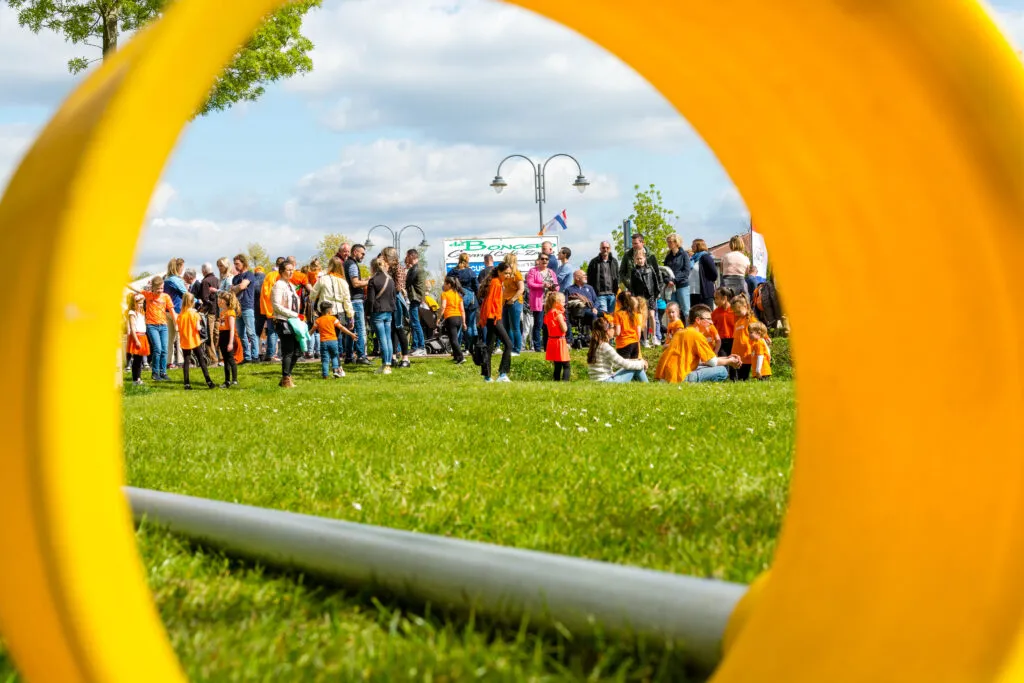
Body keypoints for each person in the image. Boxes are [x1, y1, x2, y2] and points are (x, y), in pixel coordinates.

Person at [656, 307, 743, 383]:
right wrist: (730, 361)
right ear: (698, 320)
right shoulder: (697, 335)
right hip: (680, 378)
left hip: (665, 377)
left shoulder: (680, 333)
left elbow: (703, 361)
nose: (711, 322)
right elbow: (712, 362)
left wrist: (727, 358)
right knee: (722, 370)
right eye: (708, 319)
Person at [132, 275, 175, 381]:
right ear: (153, 288)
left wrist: (176, 322)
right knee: (157, 349)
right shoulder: (148, 295)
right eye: (158, 289)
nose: (160, 290)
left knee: (164, 349)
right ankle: (155, 373)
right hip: (152, 326)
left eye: (162, 288)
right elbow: (136, 289)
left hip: (163, 326)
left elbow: (172, 310)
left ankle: (163, 372)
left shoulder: (166, 297)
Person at [478, 262, 514, 382]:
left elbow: (487, 302)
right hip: (493, 318)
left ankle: (487, 377)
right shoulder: (496, 283)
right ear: (499, 272)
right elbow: (489, 303)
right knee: (508, 344)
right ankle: (502, 374)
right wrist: (489, 318)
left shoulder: (496, 282)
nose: (508, 275)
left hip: (491, 317)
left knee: (489, 347)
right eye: (506, 273)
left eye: (509, 273)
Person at [587, 317, 648, 383]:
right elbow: (624, 364)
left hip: (600, 380)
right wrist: (642, 364)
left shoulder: (597, 345)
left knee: (636, 365)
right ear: (607, 330)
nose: (614, 329)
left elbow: (618, 363)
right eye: (613, 327)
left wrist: (637, 361)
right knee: (637, 367)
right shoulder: (605, 346)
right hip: (605, 381)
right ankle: (649, 388)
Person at [271, 259, 302, 388]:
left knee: (298, 350)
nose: (291, 272)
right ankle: (286, 378)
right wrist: (294, 314)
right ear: (282, 271)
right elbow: (277, 305)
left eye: (292, 270)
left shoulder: (291, 286)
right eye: (288, 270)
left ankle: (287, 375)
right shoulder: (279, 285)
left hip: (293, 321)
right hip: (283, 321)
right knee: (288, 350)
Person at [177, 292, 215, 390]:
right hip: (194, 340)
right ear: (192, 302)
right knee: (201, 360)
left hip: (185, 340)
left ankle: (186, 383)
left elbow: (178, 328)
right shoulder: (194, 314)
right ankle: (209, 381)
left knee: (186, 362)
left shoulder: (180, 315)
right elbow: (198, 327)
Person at [366, 255, 396, 375]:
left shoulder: (373, 280)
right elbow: (393, 297)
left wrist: (368, 314)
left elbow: (370, 300)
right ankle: (388, 364)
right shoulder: (390, 280)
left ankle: (385, 365)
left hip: (377, 311)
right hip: (388, 311)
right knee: (388, 338)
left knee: (382, 338)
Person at [382, 246, 411, 369]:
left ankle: (405, 358)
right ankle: (393, 356)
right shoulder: (388, 268)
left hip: (396, 301)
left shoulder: (398, 268)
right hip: (389, 300)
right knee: (392, 329)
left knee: (399, 328)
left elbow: (398, 287)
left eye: (384, 256)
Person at [627, 249, 663, 348]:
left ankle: (654, 336)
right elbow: (632, 285)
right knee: (644, 318)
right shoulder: (634, 271)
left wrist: (656, 293)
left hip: (650, 295)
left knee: (652, 315)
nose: (640, 261)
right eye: (638, 259)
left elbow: (655, 281)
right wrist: (634, 297)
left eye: (641, 258)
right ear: (635, 260)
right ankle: (645, 339)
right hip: (640, 297)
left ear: (645, 258)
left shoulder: (650, 268)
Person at [314, 300, 356, 379]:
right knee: (334, 356)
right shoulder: (333, 319)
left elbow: (312, 331)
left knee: (325, 359)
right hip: (333, 341)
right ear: (330, 310)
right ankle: (336, 371)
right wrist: (351, 334)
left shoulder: (318, 320)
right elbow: (342, 328)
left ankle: (325, 375)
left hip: (323, 342)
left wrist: (305, 337)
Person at [344, 244, 370, 365]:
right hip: (356, 300)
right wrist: (369, 282)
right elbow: (355, 283)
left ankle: (349, 356)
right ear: (355, 252)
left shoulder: (347, 263)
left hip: (349, 300)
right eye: (362, 253)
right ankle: (361, 355)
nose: (363, 256)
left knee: (351, 329)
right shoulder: (353, 265)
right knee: (359, 328)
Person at [526, 254, 558, 352]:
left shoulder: (551, 272)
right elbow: (530, 284)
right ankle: (537, 347)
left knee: (548, 325)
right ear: (539, 260)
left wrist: (554, 288)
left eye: (546, 259)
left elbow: (557, 286)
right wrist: (542, 285)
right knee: (538, 324)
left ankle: (547, 346)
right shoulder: (533, 271)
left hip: (549, 302)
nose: (544, 260)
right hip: (538, 301)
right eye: (542, 259)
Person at [230, 253, 257, 364]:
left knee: (251, 332)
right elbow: (232, 290)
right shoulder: (236, 278)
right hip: (237, 308)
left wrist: (236, 287)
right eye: (235, 264)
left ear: (243, 263)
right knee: (241, 334)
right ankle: (247, 357)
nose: (236, 266)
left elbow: (242, 286)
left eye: (238, 264)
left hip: (247, 306)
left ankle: (255, 356)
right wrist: (237, 287)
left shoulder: (249, 274)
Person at [448, 252, 479, 349]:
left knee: (459, 325)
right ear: (467, 260)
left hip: (457, 300)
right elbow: (476, 287)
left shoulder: (453, 272)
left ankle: (457, 348)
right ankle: (470, 347)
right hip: (471, 302)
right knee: (470, 324)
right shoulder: (471, 272)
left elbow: (447, 284)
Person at [163, 258, 187, 369]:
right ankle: (181, 361)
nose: (183, 269)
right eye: (182, 267)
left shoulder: (166, 280)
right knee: (179, 336)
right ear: (178, 267)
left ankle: (169, 362)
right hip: (176, 311)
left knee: (170, 338)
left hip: (167, 311)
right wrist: (197, 301)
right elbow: (186, 294)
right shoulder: (176, 280)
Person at [438, 276, 467, 364]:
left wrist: (438, 318)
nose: (443, 285)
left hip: (450, 318)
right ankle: (456, 357)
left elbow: (443, 306)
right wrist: (464, 322)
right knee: (453, 338)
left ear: (449, 285)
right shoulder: (458, 294)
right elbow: (462, 309)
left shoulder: (445, 294)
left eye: (444, 284)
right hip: (458, 318)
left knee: (453, 339)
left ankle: (461, 357)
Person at [663, 233, 691, 324]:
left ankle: (688, 331)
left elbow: (686, 271)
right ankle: (675, 330)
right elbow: (665, 271)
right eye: (668, 242)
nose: (668, 244)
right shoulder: (668, 256)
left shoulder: (684, 255)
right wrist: (667, 281)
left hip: (682, 286)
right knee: (672, 310)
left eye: (670, 242)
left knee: (686, 310)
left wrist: (674, 280)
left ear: (676, 242)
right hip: (671, 287)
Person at [501, 253, 525, 356]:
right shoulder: (506, 274)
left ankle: (517, 349)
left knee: (515, 327)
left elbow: (521, 289)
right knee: (507, 327)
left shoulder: (517, 274)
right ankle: (509, 347)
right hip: (505, 301)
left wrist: (513, 299)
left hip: (515, 302)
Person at [563, 269, 599, 339]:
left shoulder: (590, 288)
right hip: (576, 312)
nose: (586, 277)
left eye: (586, 275)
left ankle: (598, 338)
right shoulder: (569, 289)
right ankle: (570, 340)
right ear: (577, 278)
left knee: (605, 314)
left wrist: (595, 308)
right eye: (584, 275)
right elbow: (566, 303)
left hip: (590, 310)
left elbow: (596, 301)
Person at [544, 292, 571, 382]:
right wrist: (566, 325)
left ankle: (556, 381)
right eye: (563, 302)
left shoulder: (548, 313)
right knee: (566, 364)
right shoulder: (558, 314)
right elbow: (564, 329)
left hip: (551, 340)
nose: (564, 303)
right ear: (557, 302)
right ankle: (565, 382)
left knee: (557, 364)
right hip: (560, 341)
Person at [406, 249, 428, 356]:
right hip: (415, 298)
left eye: (407, 256)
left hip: (415, 298)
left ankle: (421, 347)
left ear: (411, 256)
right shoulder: (415, 268)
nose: (406, 258)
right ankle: (415, 346)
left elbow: (408, 281)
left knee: (415, 323)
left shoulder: (416, 269)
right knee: (413, 323)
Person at [124, 292, 150, 386]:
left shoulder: (141, 312)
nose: (141, 305)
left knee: (139, 360)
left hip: (143, 336)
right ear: (134, 303)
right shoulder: (132, 313)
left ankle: (138, 378)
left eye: (142, 303)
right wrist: (136, 340)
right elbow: (133, 328)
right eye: (139, 303)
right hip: (137, 337)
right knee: (136, 360)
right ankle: (135, 379)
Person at [586, 241, 619, 314]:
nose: (605, 249)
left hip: (612, 294)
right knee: (604, 316)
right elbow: (590, 278)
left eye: (607, 248)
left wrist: (616, 290)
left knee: (611, 317)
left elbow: (617, 276)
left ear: (610, 249)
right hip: (600, 295)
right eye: (603, 248)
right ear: (600, 249)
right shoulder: (594, 262)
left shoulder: (614, 261)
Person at [731, 294, 757, 381]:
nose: (736, 314)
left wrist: (766, 337)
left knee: (744, 377)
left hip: (747, 353)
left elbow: (760, 330)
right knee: (739, 377)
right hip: (738, 354)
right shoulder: (738, 322)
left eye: (738, 312)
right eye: (735, 312)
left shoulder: (751, 320)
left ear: (745, 306)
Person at [216, 291, 240, 388]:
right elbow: (220, 328)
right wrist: (218, 341)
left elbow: (231, 329)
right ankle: (227, 381)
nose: (218, 301)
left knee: (230, 359)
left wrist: (230, 343)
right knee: (225, 360)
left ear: (224, 301)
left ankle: (234, 380)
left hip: (228, 336)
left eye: (219, 299)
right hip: (222, 336)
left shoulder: (230, 312)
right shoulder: (222, 312)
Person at [200, 262, 222, 364]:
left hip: (210, 312)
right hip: (219, 310)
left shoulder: (205, 281)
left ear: (204, 271)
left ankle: (213, 358)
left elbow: (205, 298)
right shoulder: (217, 279)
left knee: (210, 336)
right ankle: (220, 357)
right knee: (217, 334)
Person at [688, 239, 719, 309]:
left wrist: (706, 281)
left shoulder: (706, 257)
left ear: (698, 246)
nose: (691, 246)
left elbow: (714, 274)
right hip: (693, 292)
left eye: (693, 245)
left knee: (706, 314)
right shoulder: (692, 259)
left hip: (704, 293)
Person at [613, 290, 643, 360]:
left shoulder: (618, 314)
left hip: (623, 344)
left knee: (625, 368)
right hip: (635, 343)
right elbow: (638, 332)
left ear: (620, 302)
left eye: (617, 301)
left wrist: (611, 333)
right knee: (634, 367)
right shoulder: (635, 314)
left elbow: (617, 332)